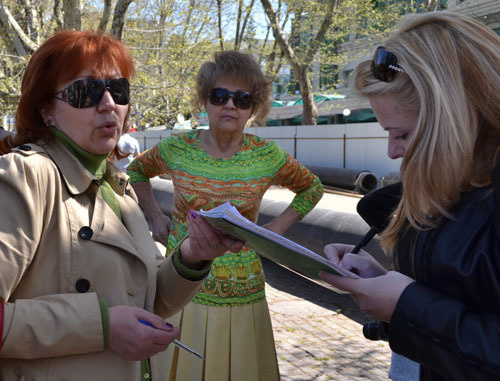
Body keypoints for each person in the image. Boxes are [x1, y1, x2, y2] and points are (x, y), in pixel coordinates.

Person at [0, 30, 243, 381]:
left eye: (119, 90)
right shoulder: (27, 176)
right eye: (87, 92)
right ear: (46, 110)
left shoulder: (117, 187)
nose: (109, 103)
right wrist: (101, 325)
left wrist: (193, 255)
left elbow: (148, 299)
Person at [320, 12, 500, 381]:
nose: (391, 151)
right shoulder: (454, 185)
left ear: (451, 119)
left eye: (401, 134)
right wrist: (382, 281)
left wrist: (409, 308)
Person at [128, 50, 324, 380]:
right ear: (205, 100)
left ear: (254, 107)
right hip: (181, 287)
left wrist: (275, 229)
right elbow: (135, 172)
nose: (230, 105)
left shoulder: (267, 156)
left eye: (242, 98)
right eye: (220, 96)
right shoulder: (178, 146)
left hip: (242, 291)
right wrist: (154, 217)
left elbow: (312, 188)